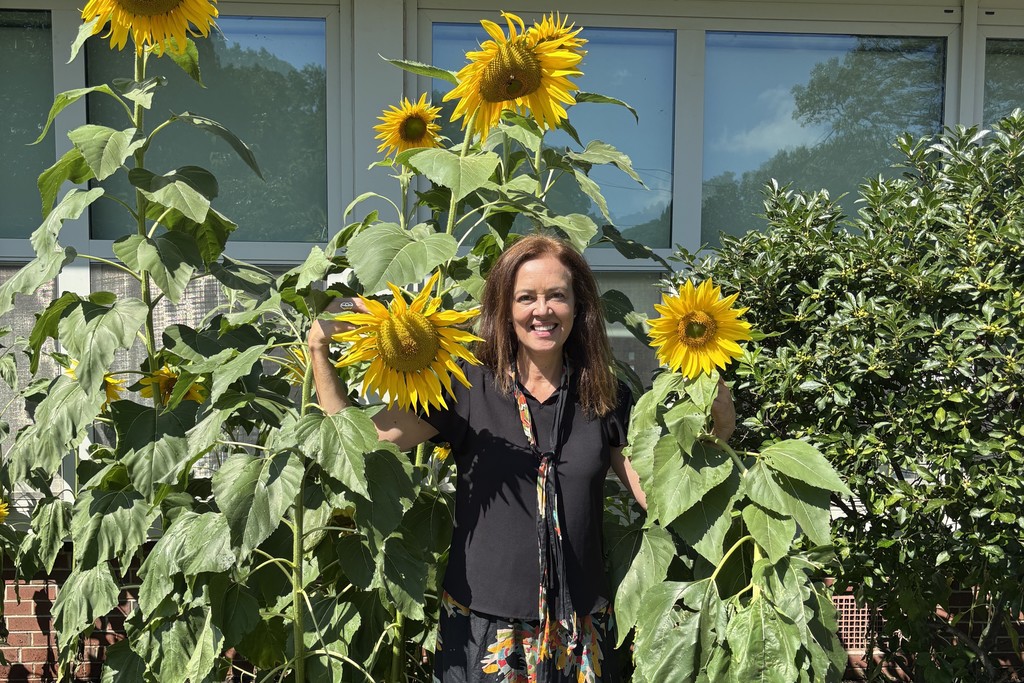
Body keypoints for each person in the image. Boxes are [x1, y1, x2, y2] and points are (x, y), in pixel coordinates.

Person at [307, 233, 735, 682]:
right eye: (526, 297)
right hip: (486, 628)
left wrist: (719, 432)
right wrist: (319, 349)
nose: (542, 311)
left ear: (578, 306)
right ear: (504, 308)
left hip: (580, 632)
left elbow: (659, 497)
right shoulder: (465, 384)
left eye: (557, 296)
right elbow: (363, 440)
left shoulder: (605, 395)